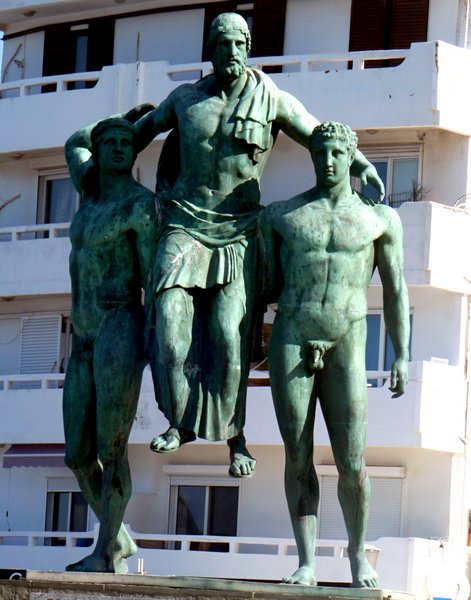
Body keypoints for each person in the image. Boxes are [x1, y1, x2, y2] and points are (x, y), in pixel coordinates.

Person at [132, 12, 385, 478]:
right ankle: (180, 420)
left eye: (238, 44)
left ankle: (235, 436)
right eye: (222, 44)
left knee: (230, 336)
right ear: (210, 50)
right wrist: (102, 149)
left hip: (239, 229)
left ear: (248, 49)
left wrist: (362, 164)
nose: (230, 52)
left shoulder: (271, 98)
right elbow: (141, 131)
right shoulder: (185, 99)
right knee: (168, 327)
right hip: (185, 224)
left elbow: (316, 133)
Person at [261, 122, 409, 587]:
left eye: (336, 154)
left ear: (352, 158)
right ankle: (306, 562)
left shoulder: (379, 219)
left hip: (348, 337)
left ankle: (357, 556)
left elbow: (396, 290)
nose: (327, 161)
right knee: (297, 454)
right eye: (319, 152)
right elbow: (260, 288)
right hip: (292, 333)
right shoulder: (284, 216)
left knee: (352, 460)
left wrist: (402, 354)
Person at [63, 117, 159, 573]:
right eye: (111, 142)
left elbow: (153, 281)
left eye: (127, 142)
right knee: (76, 456)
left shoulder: (140, 206)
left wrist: (154, 339)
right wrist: (134, 121)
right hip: (81, 332)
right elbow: (73, 142)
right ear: (98, 152)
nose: (120, 148)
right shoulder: (88, 194)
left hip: (119, 325)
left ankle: (106, 552)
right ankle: (117, 535)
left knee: (111, 450)